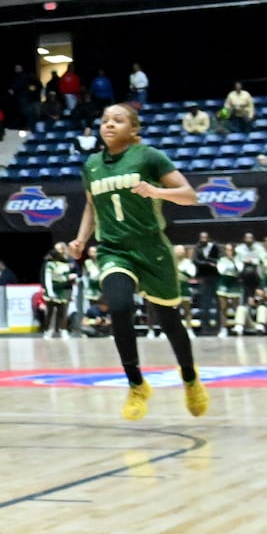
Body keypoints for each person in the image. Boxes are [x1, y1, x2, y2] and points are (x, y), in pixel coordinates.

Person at [67, 104, 208, 420]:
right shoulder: (91, 165)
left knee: (169, 320)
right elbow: (91, 207)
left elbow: (190, 195)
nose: (109, 125)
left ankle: (190, 377)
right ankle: (135, 383)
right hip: (114, 249)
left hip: (151, 249)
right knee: (118, 306)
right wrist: (81, 239)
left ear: (134, 130)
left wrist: (155, 191)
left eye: (118, 120)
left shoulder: (148, 156)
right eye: (104, 120)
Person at [41, 242, 73, 338]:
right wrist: (49, 291)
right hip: (53, 289)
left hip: (64, 290)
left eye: (59, 249)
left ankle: (63, 330)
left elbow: (71, 275)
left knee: (63, 312)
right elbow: (47, 279)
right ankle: (47, 330)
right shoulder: (50, 264)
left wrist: (72, 277)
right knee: (49, 312)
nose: (57, 251)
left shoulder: (68, 262)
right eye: (56, 249)